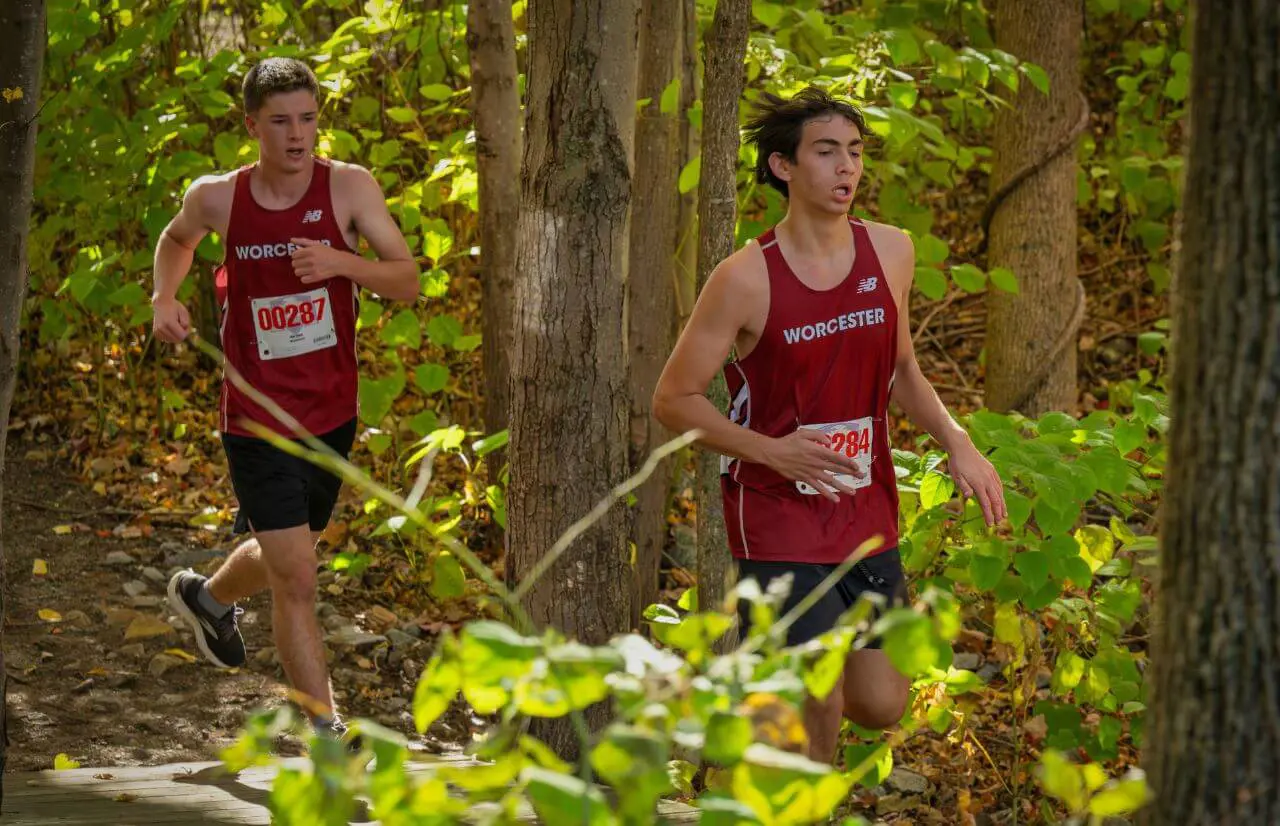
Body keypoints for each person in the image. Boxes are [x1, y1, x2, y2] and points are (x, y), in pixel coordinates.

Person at [652, 86, 1006, 763]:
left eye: (855, 152)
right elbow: (674, 399)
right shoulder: (745, 278)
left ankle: (761, 717)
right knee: (821, 696)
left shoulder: (892, 252)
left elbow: (902, 369)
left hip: (863, 502)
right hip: (776, 508)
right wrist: (772, 452)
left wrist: (958, 443)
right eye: (826, 152)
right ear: (783, 167)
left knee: (880, 703)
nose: (847, 168)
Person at [151, 57, 419, 741]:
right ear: (252, 126)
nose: (297, 135)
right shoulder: (219, 198)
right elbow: (176, 240)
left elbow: (406, 280)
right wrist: (164, 297)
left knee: (289, 554)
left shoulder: (348, 188)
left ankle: (206, 599)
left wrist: (341, 263)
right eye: (280, 122)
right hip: (254, 419)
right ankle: (323, 733)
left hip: (332, 413)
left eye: (307, 119)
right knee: (298, 578)